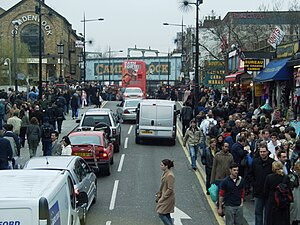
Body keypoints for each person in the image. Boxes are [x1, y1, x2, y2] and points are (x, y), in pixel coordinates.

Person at [248, 142, 274, 225]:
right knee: (258, 213)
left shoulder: (272, 163)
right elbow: (250, 175)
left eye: (264, 151)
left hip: (269, 193)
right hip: (258, 192)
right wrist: (254, 184)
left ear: (267, 152)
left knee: (268, 214)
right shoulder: (255, 162)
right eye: (261, 152)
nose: (262, 153)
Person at [156, 159, 175, 225]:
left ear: (166, 166)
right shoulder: (166, 172)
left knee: (161, 213)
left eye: (162, 165)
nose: (160, 166)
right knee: (166, 214)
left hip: (168, 198)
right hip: (165, 196)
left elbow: (170, 189)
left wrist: (163, 197)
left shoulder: (170, 175)